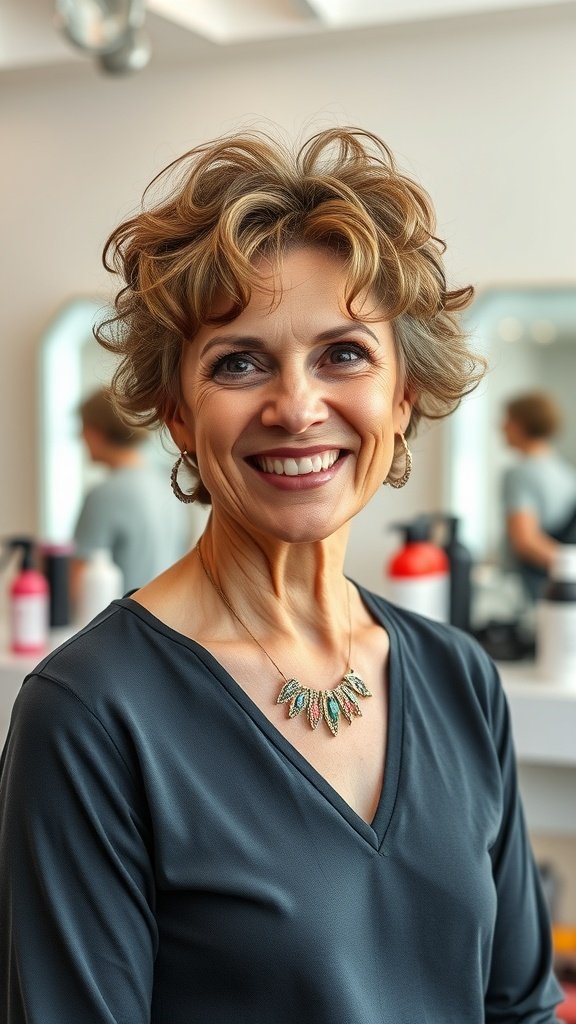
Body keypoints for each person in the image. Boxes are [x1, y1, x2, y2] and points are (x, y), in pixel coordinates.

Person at [0, 126, 563, 1023]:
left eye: (344, 353)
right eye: (239, 362)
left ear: (403, 396)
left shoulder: (459, 678)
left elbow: (520, 1008)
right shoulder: (92, 713)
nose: (297, 407)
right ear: (180, 415)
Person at [72, 386, 191, 593]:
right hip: (163, 615)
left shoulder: (104, 495)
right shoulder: (168, 486)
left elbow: (78, 585)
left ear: (96, 431)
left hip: (118, 621)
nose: (80, 436)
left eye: (82, 428)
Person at [502, 390, 576, 601]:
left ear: (521, 424)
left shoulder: (519, 474)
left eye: (507, 420)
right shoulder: (566, 471)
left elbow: (526, 542)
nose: (501, 427)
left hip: (529, 591)